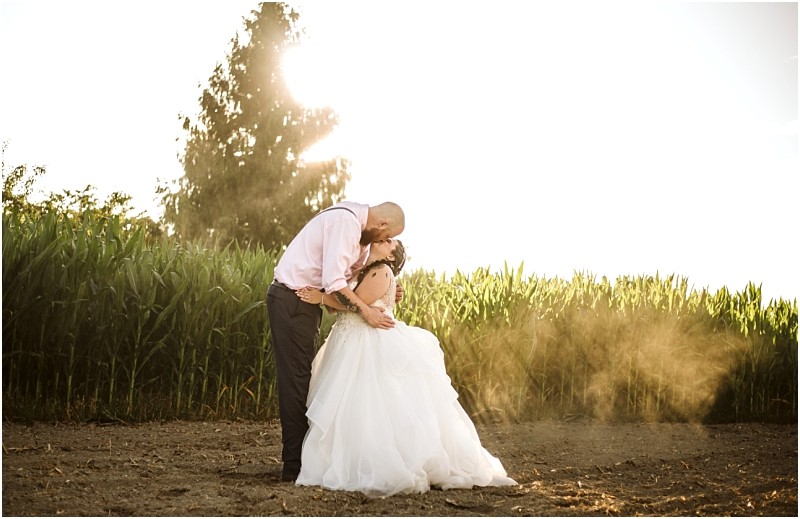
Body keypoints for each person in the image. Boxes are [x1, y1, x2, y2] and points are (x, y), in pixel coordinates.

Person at [294, 239, 518, 495]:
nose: (383, 239)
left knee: (367, 404)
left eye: (389, 241)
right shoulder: (364, 270)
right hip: (350, 338)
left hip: (366, 341)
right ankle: (350, 457)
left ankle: (373, 462)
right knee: (354, 405)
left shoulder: (381, 271)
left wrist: (321, 297)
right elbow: (344, 306)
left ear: (391, 255)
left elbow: (354, 305)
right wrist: (329, 297)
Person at [267, 201, 405, 482]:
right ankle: (294, 466)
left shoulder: (361, 238)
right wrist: (367, 311)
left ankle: (303, 460)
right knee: (296, 381)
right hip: (292, 299)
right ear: (382, 226)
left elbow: (346, 284)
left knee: (303, 379)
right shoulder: (346, 223)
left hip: (306, 303)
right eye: (386, 236)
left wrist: (387, 288)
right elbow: (334, 284)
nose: (383, 241)